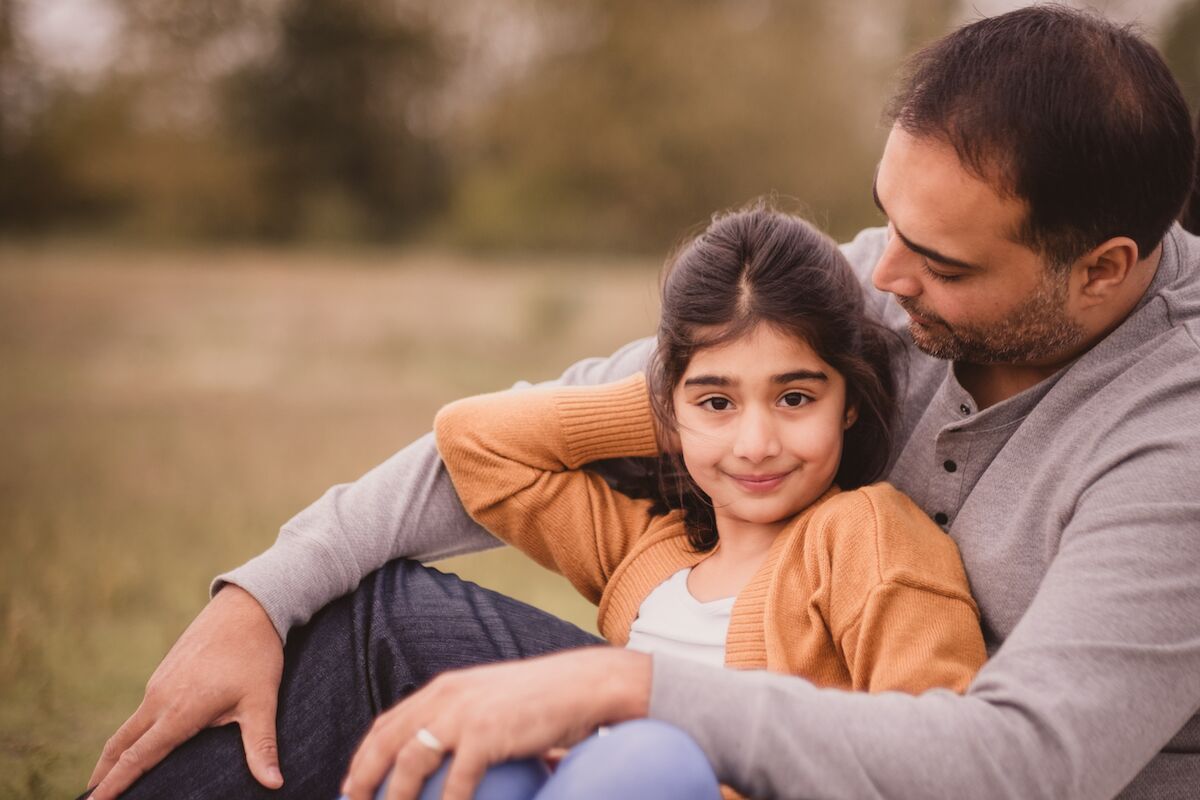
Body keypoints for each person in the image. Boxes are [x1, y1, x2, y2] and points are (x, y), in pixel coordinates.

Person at [85, 6, 1200, 800]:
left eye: (943, 261)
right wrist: (259, 595)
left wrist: (632, 687)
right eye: (887, 222)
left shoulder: (1175, 435)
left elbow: (1028, 770)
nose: (887, 275)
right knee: (362, 615)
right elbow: (545, 421)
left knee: (643, 758)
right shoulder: (879, 286)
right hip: (723, 730)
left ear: (1101, 268)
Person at [360, 206, 984, 799]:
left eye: (795, 398)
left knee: (650, 764)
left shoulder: (867, 538)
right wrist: (668, 413)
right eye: (718, 401)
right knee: (474, 771)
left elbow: (938, 757)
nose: (757, 444)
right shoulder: (648, 553)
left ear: (847, 402)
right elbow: (476, 444)